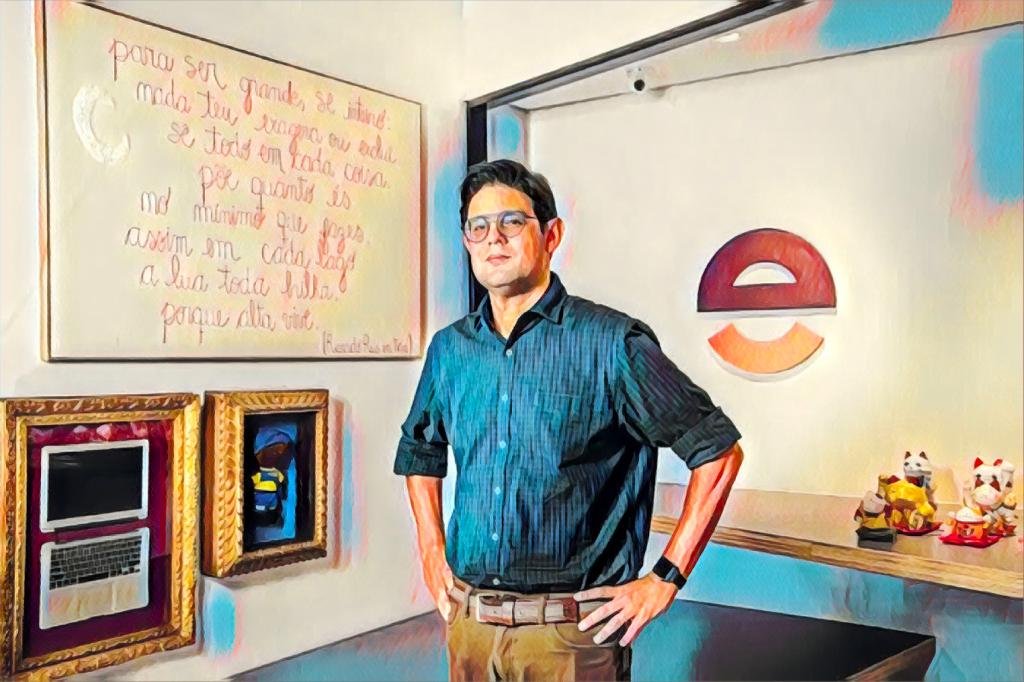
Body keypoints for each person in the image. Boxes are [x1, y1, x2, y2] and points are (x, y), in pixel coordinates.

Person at [394, 159, 744, 681]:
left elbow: (717, 452)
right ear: (466, 242)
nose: (494, 239)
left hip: (571, 638)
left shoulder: (612, 343)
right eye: (478, 227)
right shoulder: (451, 350)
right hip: (470, 627)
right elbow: (419, 450)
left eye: (512, 222)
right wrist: (430, 547)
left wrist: (665, 578)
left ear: (551, 235)